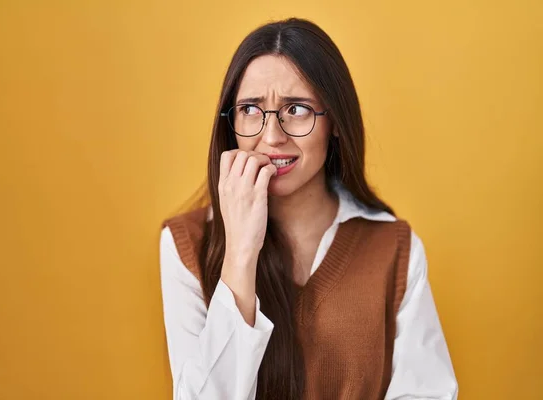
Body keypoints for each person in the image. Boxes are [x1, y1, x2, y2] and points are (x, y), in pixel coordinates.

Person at [159, 18, 458, 400]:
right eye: (250, 109)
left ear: (334, 121)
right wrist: (240, 253)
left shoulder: (394, 248)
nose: (271, 137)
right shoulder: (186, 245)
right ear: (230, 122)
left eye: (296, 109)